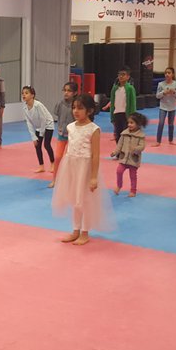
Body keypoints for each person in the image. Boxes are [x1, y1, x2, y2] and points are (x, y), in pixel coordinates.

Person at [52, 94, 113, 245]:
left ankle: (85, 232)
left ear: (90, 111)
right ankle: (75, 230)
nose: (75, 111)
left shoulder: (94, 129)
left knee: (85, 201)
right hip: (72, 167)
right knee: (76, 200)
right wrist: (64, 170)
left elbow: (95, 155)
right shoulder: (70, 127)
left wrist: (93, 177)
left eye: (80, 108)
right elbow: (68, 148)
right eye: (74, 107)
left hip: (85, 169)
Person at [49, 81, 77, 189]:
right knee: (58, 157)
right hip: (61, 134)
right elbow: (58, 115)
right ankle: (55, 179)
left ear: (75, 93)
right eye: (64, 90)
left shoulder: (76, 106)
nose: (66, 93)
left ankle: (71, 180)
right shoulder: (60, 104)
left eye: (69, 91)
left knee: (71, 159)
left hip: (72, 136)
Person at [22, 86, 55, 173]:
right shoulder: (25, 108)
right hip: (38, 127)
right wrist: (33, 137)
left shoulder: (38, 105)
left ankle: (53, 164)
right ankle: (41, 166)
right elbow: (29, 123)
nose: (24, 95)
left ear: (32, 95)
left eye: (26, 93)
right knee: (37, 145)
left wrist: (41, 134)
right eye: (23, 93)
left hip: (48, 125)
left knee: (46, 145)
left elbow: (43, 119)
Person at [114, 112, 148, 198]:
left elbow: (142, 146)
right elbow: (119, 144)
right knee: (119, 171)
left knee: (132, 176)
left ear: (138, 124)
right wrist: (115, 152)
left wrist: (136, 149)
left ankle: (133, 190)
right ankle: (119, 185)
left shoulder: (140, 136)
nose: (129, 124)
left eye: (132, 123)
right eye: (128, 122)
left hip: (133, 159)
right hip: (124, 158)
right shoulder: (124, 134)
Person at [103, 66, 136, 143]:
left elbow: (133, 103)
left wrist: (132, 117)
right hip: (116, 114)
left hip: (126, 115)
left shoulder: (130, 88)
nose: (121, 76)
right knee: (117, 136)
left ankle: (126, 150)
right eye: (119, 74)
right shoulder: (114, 89)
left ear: (128, 77)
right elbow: (112, 102)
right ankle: (119, 150)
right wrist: (112, 117)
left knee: (126, 136)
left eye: (123, 74)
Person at [153, 67, 176, 146]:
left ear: (172, 74)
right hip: (163, 106)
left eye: (169, 73)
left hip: (172, 107)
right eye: (166, 73)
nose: (167, 74)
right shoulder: (161, 84)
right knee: (161, 123)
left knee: (171, 124)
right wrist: (163, 93)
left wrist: (174, 92)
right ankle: (158, 141)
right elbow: (157, 96)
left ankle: (171, 140)